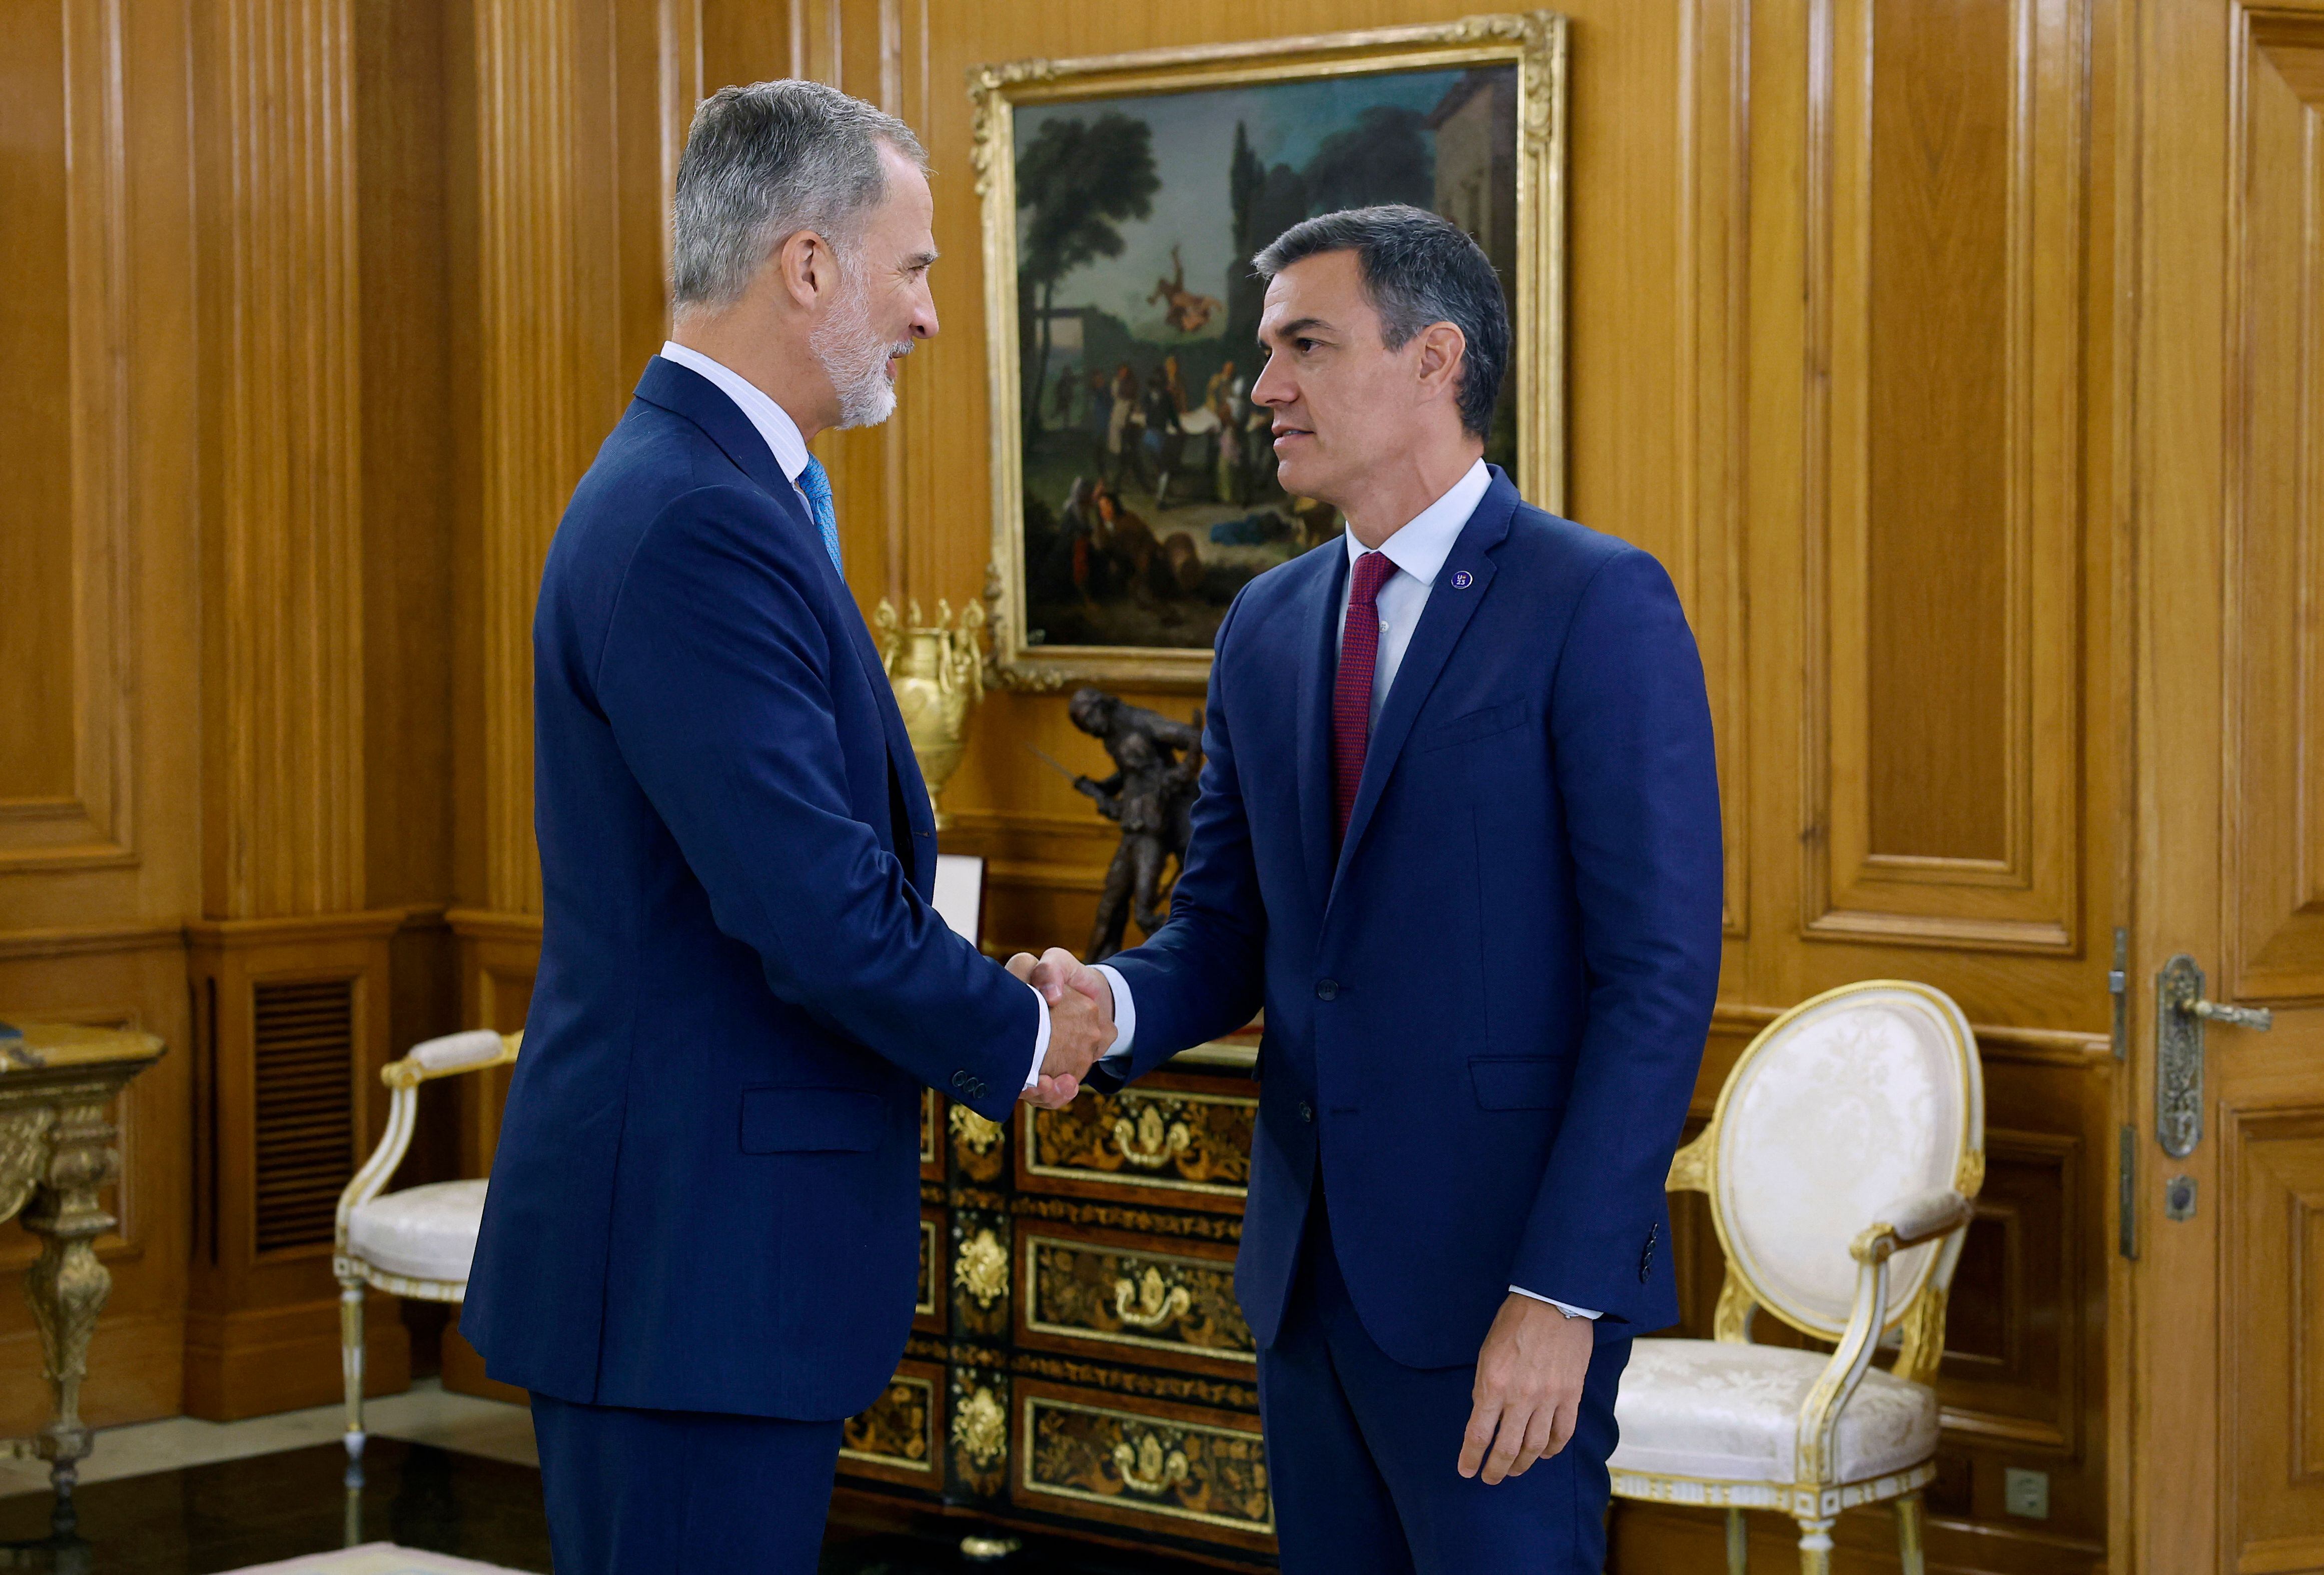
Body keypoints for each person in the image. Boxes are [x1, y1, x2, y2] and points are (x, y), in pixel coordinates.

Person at [460, 81, 1113, 1573]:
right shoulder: (698, 515)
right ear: (808, 264)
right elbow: (812, 904)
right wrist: (1020, 1037)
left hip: (707, 1267)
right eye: (917, 266)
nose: (930, 315)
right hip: (688, 1270)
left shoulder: (726, 491)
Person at [1022, 205, 1722, 1574]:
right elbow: (1227, 928)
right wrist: (1105, 1004)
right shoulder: (1267, 625)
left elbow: (1655, 981)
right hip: (1308, 1289)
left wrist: (1559, 1293)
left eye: (1303, 344)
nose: (1261, 386)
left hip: (1503, 1291)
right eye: (1264, 347)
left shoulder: (1597, 603)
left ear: (1434, 360)